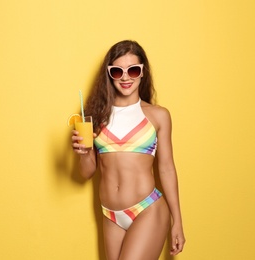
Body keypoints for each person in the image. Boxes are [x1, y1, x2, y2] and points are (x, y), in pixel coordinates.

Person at [71, 40, 185, 260]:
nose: (125, 78)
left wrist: (177, 220)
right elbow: (86, 173)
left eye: (133, 70)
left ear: (142, 73)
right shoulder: (95, 117)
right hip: (110, 215)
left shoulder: (158, 115)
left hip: (148, 208)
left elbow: (167, 169)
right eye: (117, 71)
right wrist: (84, 153)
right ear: (109, 74)